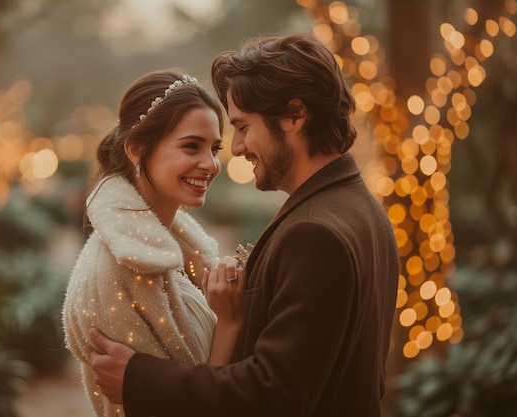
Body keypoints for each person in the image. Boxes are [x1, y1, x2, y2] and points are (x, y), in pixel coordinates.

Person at [87, 33, 401, 417]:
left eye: (243, 127)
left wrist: (139, 378)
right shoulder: (364, 211)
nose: (236, 149)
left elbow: (273, 394)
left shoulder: (315, 232)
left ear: (295, 116)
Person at [61, 69, 245, 417]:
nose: (210, 164)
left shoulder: (178, 253)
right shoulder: (118, 272)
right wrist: (230, 324)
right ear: (137, 148)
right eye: (191, 146)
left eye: (215, 148)